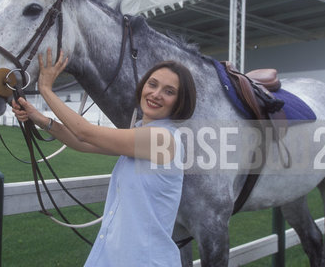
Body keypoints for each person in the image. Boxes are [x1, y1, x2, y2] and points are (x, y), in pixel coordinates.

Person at [12, 48, 196, 267]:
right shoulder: (142, 135)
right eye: (153, 84)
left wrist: (45, 89)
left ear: (179, 101)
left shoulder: (162, 139)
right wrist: (39, 118)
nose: (156, 94)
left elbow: (86, 132)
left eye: (169, 91)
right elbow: (83, 142)